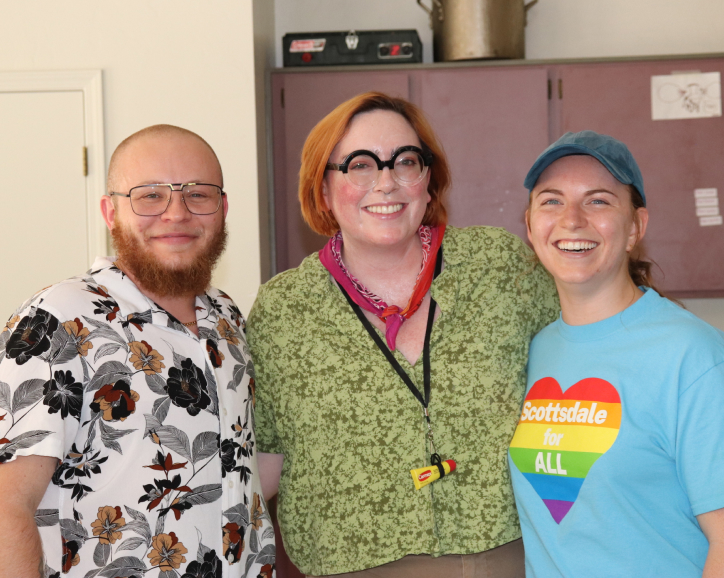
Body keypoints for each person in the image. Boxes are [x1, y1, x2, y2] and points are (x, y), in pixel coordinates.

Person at [247, 92, 559, 577]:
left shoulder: (499, 268)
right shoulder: (285, 310)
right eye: (360, 165)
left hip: (513, 556)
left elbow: (588, 352)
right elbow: (266, 455)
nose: (387, 183)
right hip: (352, 565)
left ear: (428, 181)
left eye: (405, 162)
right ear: (323, 189)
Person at [0, 125, 275, 577]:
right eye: (150, 196)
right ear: (111, 212)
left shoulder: (227, 319)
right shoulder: (59, 319)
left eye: (198, 195)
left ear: (223, 209)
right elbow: (8, 502)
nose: (176, 213)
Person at [509, 130, 724, 577]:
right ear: (530, 227)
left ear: (636, 227)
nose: (571, 219)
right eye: (551, 201)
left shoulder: (692, 355)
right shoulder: (537, 349)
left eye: (598, 201)